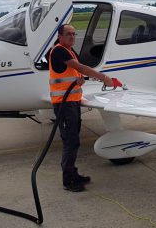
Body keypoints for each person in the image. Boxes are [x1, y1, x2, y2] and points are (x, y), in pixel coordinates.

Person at [49, 24, 115, 192]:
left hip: (72, 101)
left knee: (73, 140)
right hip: (64, 104)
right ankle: (69, 181)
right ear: (60, 36)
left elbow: (73, 72)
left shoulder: (69, 51)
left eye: (74, 34)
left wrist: (78, 80)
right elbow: (80, 67)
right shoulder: (59, 50)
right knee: (70, 141)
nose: (72, 37)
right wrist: (104, 78)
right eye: (68, 34)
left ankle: (73, 174)